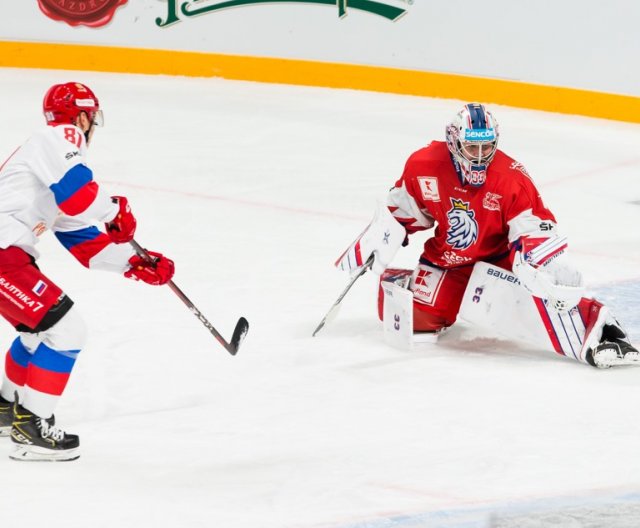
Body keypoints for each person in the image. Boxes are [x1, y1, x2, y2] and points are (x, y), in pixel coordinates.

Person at [336, 103, 638, 368]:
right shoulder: (424, 164)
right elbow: (407, 207)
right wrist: (382, 235)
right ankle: (406, 280)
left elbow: (532, 225)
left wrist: (537, 262)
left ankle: (600, 331)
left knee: (523, 297)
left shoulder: (511, 178)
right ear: (454, 142)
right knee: (416, 321)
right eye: (472, 147)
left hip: (500, 257)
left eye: (487, 147)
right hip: (449, 261)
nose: (480, 156)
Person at [0, 82, 175, 461]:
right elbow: (80, 194)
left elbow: (83, 241)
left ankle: (4, 408)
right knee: (67, 330)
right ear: (81, 116)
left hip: (8, 256)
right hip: (4, 255)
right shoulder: (60, 136)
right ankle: (31, 427)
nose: (90, 126)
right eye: (90, 118)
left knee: (37, 332)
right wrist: (114, 210)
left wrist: (134, 263)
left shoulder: (47, 166)